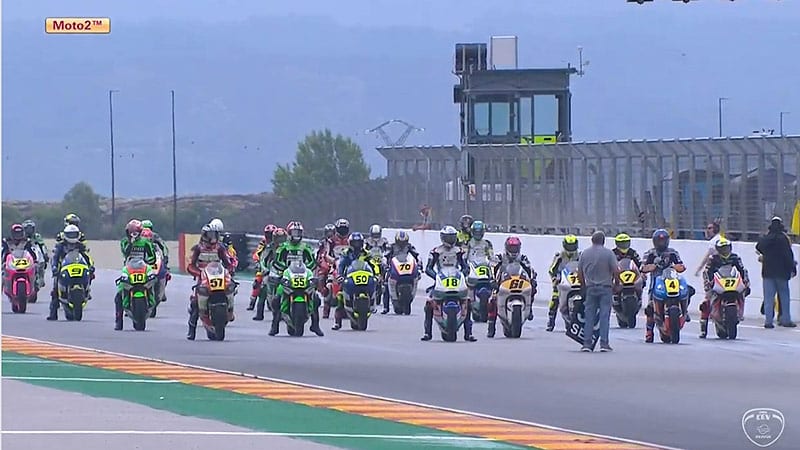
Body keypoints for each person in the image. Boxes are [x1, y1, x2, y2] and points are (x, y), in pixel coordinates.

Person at [268, 221, 323, 336]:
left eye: (298, 232)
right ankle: (275, 326)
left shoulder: (305, 247)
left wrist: (309, 271)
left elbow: (312, 261)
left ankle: (315, 325)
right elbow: (277, 261)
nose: (296, 235)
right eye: (294, 232)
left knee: (316, 298)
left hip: (303, 275)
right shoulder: (283, 247)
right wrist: (282, 270)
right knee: (277, 298)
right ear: (289, 233)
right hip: (287, 274)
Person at [421, 226, 476, 342]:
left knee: (467, 302)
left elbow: (465, 267)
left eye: (452, 237)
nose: (450, 240)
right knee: (429, 304)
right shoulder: (435, 251)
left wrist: (462, 275)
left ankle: (468, 333)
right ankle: (427, 333)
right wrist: (436, 277)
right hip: (441, 279)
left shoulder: (459, 251)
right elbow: (428, 268)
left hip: (456, 278)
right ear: (442, 238)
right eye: (448, 237)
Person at [641, 229, 695, 343]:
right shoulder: (650, 253)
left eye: (663, 240)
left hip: (672, 280)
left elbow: (681, 266)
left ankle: (684, 311)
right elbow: (643, 267)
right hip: (657, 283)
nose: (661, 243)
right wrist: (653, 266)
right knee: (650, 307)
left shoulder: (672, 253)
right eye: (659, 241)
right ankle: (649, 332)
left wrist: (674, 267)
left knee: (689, 290)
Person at [185, 225, 236, 340]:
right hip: (203, 278)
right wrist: (199, 273)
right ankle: (191, 329)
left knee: (231, 287)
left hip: (218, 276)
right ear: (204, 235)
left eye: (214, 234)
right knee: (195, 302)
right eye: (210, 235)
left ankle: (229, 310)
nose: (213, 237)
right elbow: (191, 265)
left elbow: (227, 262)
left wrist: (230, 270)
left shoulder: (220, 248)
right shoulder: (198, 248)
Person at [487, 236, 537, 338]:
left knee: (532, 289)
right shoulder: (499, 257)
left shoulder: (523, 258)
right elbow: (492, 268)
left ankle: (530, 308)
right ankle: (491, 326)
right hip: (502, 282)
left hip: (518, 281)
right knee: (493, 299)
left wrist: (532, 279)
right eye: (511, 248)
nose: (513, 250)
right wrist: (492, 280)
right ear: (506, 247)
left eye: (515, 248)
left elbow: (529, 269)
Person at [577, 231, 619, 352]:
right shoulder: (609, 253)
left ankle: (587, 343)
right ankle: (604, 344)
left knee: (589, 316)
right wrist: (617, 284)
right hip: (606, 288)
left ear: (592, 240)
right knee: (604, 316)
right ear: (603, 241)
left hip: (590, 288)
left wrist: (583, 286)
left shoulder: (585, 254)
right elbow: (616, 270)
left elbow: (579, 273)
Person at [701, 238, 751, 338]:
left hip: (731, 282)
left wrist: (745, 281)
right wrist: (708, 282)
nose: (725, 251)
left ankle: (739, 313)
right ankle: (703, 328)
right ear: (718, 249)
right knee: (706, 302)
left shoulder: (735, 257)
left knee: (743, 292)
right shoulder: (713, 259)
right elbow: (707, 271)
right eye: (722, 249)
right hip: (717, 282)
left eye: (726, 248)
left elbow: (742, 270)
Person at [332, 232, 380, 329]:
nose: (357, 245)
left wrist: (377, 274)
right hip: (350, 277)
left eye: (358, 242)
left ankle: (374, 302)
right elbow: (341, 265)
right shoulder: (346, 253)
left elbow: (373, 264)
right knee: (340, 295)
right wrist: (340, 275)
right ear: (350, 243)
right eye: (354, 243)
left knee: (377, 286)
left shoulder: (367, 253)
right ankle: (337, 322)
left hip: (364, 276)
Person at [756, 217, 797, 328]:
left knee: (768, 298)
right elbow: (788, 256)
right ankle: (786, 320)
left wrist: (765, 254)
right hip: (782, 273)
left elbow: (758, 246)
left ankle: (768, 321)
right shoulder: (783, 239)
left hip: (768, 272)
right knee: (784, 297)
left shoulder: (767, 238)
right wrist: (792, 268)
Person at [48, 224, 94, 321]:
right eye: (70, 234)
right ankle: (53, 313)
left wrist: (91, 266)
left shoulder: (80, 245)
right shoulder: (61, 246)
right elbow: (55, 258)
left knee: (90, 275)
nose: (72, 237)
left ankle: (86, 291)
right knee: (55, 288)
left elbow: (86, 257)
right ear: (65, 235)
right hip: (63, 268)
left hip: (78, 266)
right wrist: (54, 267)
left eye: (74, 234)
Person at [380, 230, 422, 314]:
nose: (402, 244)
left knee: (417, 276)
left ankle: (410, 296)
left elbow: (417, 256)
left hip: (407, 267)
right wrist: (385, 264)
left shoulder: (409, 246)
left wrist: (419, 265)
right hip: (394, 267)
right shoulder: (391, 246)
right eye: (400, 242)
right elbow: (385, 256)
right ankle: (386, 307)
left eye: (404, 242)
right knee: (386, 283)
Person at [546, 235, 581, 331]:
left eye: (573, 246)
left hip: (576, 279)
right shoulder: (559, 257)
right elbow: (552, 269)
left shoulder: (580, 256)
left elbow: (585, 267)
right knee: (555, 297)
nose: (571, 249)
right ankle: (551, 321)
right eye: (569, 246)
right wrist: (555, 278)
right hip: (562, 280)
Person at [248, 224, 277, 311]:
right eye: (268, 234)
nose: (270, 236)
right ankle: (252, 302)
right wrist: (257, 262)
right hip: (263, 265)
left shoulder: (279, 243)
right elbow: (257, 253)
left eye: (271, 234)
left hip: (275, 266)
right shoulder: (263, 242)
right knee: (257, 282)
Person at [316, 223, 337, 318]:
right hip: (326, 262)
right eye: (328, 232)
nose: (330, 234)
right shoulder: (323, 242)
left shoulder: (337, 242)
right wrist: (320, 261)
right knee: (321, 276)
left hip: (336, 261)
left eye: (331, 232)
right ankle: (325, 308)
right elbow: (320, 253)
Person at [21, 219, 49, 288]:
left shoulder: (37, 236)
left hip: (35, 254)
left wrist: (45, 254)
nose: (29, 231)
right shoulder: (21, 237)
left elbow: (42, 245)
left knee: (41, 261)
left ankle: (41, 277)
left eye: (31, 229)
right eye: (27, 229)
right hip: (24, 254)